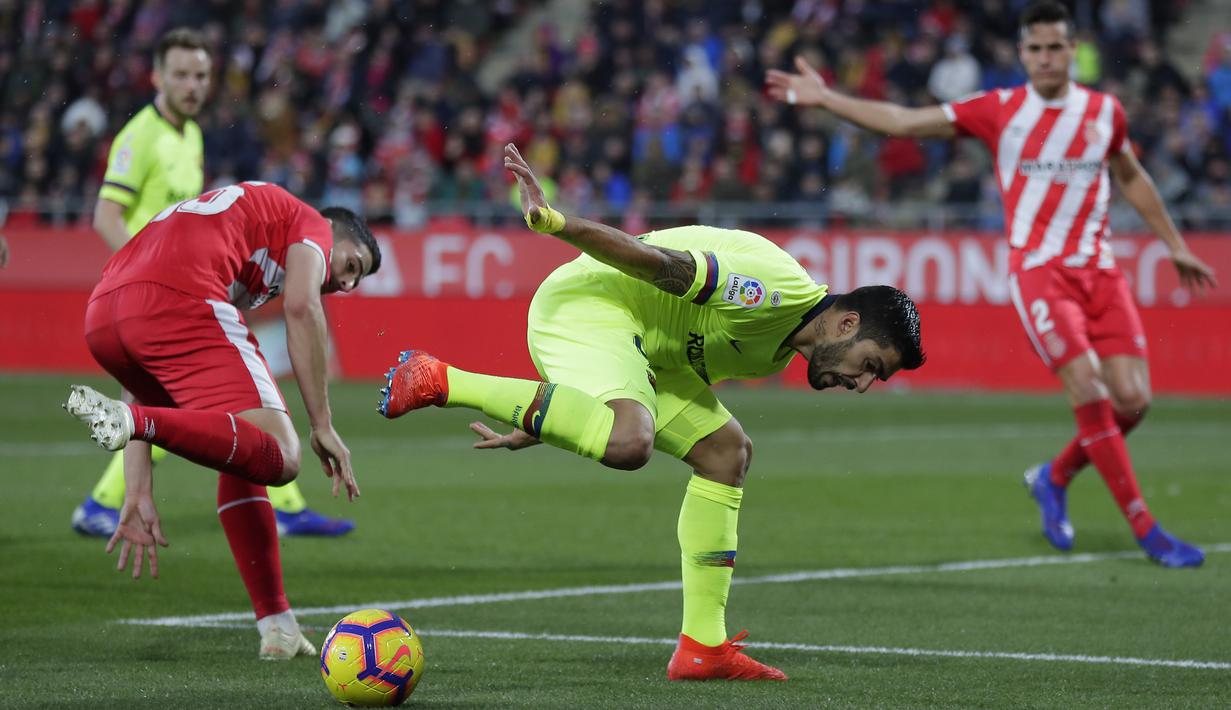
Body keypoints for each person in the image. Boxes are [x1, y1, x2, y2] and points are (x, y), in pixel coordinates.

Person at [378, 144, 925, 681]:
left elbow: (664, 366)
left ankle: (703, 648)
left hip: (641, 343)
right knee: (628, 442)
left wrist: (552, 420)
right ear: (847, 324)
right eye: (870, 365)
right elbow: (659, 264)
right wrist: (555, 222)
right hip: (588, 304)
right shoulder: (772, 296)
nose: (861, 384)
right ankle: (438, 378)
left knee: (725, 452)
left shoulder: (779, 347)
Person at [766, 0, 1217, 567]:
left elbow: (1132, 175)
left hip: (1101, 273)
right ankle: (1148, 530)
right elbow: (906, 122)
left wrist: (1174, 244)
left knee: (1133, 401)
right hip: (1041, 274)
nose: (1047, 58)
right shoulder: (1001, 109)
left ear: (1072, 50)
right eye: (1036, 48)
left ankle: (1052, 479)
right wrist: (829, 98)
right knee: (1093, 392)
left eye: (1057, 47)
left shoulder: (1105, 112)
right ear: (1023, 53)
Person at [63, 181, 380, 658]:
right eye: (352, 266)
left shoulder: (244, 232)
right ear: (334, 231)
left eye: (358, 282)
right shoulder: (312, 225)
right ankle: (276, 618)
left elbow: (140, 383)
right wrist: (322, 425)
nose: (348, 284)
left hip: (105, 313)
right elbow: (301, 306)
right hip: (181, 297)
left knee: (244, 452)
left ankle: (278, 625)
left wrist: (138, 487)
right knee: (283, 454)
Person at [73, 28, 355, 538]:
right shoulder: (141, 136)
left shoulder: (191, 136)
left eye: (201, 75)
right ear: (156, 76)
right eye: (180, 74)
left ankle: (112, 500)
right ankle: (281, 502)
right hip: (156, 295)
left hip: (172, 292)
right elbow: (105, 214)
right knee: (231, 400)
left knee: (173, 404)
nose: (192, 85)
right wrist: (146, 276)